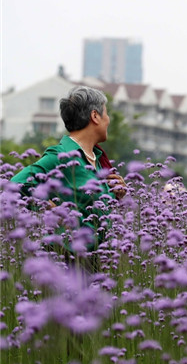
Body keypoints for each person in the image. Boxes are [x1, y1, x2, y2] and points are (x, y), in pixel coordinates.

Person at [11, 86, 126, 261]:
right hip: (66, 260)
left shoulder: (96, 159)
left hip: (96, 261)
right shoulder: (61, 155)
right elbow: (14, 185)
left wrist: (115, 194)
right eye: (106, 113)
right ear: (95, 116)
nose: (108, 119)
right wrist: (49, 209)